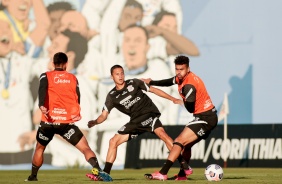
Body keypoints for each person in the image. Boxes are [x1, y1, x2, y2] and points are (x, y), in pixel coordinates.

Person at [87, 64, 186, 180]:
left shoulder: (133, 82)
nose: (120, 76)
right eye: (117, 74)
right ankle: (106, 174)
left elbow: (153, 90)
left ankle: (183, 164)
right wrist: (95, 122)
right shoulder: (112, 96)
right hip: (135, 122)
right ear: (112, 77)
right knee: (113, 141)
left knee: (163, 135)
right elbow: (104, 115)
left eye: (122, 73)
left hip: (148, 114)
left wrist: (173, 99)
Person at [25, 52, 112, 182]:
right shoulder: (72, 78)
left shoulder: (45, 75)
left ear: (53, 63)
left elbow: (41, 90)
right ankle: (98, 170)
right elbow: (77, 97)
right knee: (85, 148)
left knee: (39, 148)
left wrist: (42, 105)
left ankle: (33, 176)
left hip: (48, 123)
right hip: (65, 124)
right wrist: (74, 112)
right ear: (66, 64)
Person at [142, 55, 218, 180]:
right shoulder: (182, 77)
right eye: (177, 69)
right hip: (206, 116)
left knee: (178, 142)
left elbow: (189, 108)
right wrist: (152, 82)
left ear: (188, 69)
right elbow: (169, 82)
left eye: (181, 69)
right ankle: (183, 175)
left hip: (206, 118)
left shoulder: (189, 85)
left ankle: (163, 173)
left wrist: (181, 101)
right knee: (186, 146)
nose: (178, 72)